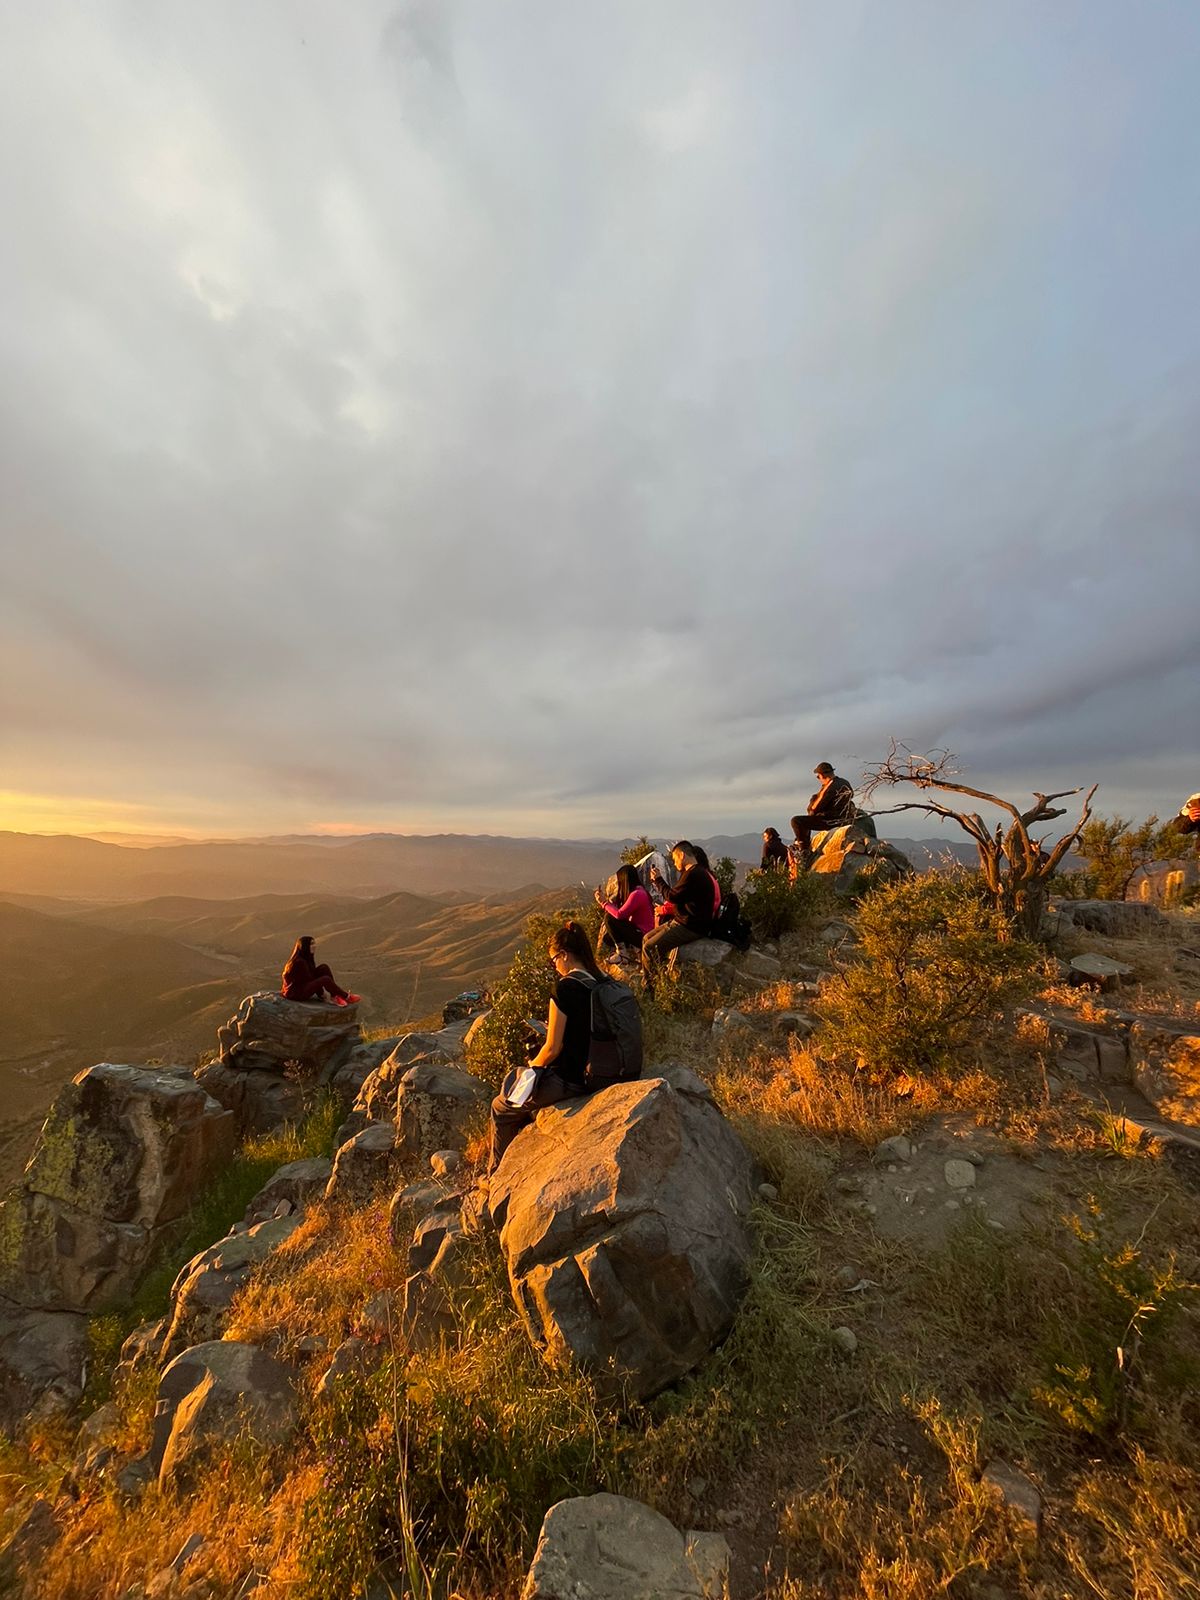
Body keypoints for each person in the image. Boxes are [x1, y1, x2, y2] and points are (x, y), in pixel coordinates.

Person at [489, 920, 605, 1170]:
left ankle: (496, 1173)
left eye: (554, 961)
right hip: (597, 1072)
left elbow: (553, 1048)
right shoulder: (599, 982)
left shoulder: (564, 988)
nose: (555, 967)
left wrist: (534, 1066)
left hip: (570, 1081)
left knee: (500, 1107)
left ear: (564, 955)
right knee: (513, 1079)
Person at [641, 841, 719, 993]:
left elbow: (673, 896)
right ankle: (658, 974)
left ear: (682, 855)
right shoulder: (698, 872)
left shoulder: (693, 874)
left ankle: (650, 989)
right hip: (684, 921)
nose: (674, 862)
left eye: (675, 858)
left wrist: (658, 879)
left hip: (690, 926)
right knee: (646, 939)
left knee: (650, 947)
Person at [789, 763, 857, 870]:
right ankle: (803, 845)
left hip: (830, 820)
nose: (818, 779)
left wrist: (812, 802)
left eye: (818, 776)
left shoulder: (830, 786)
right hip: (844, 818)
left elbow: (815, 809)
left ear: (822, 775)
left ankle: (804, 851)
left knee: (796, 821)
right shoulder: (844, 782)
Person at [594, 864, 655, 955]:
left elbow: (619, 914)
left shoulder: (638, 894)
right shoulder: (637, 891)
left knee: (609, 919)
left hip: (643, 935)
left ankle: (622, 954)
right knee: (608, 938)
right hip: (637, 931)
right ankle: (632, 949)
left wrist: (604, 902)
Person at [280, 936, 360, 1006]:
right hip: (295, 994)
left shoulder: (306, 958)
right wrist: (322, 994)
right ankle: (346, 997)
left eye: (314, 943)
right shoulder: (299, 962)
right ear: (304, 946)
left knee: (323, 967)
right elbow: (309, 980)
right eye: (311, 944)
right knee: (325, 979)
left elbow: (311, 976)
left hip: (301, 987)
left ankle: (335, 996)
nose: (314, 946)